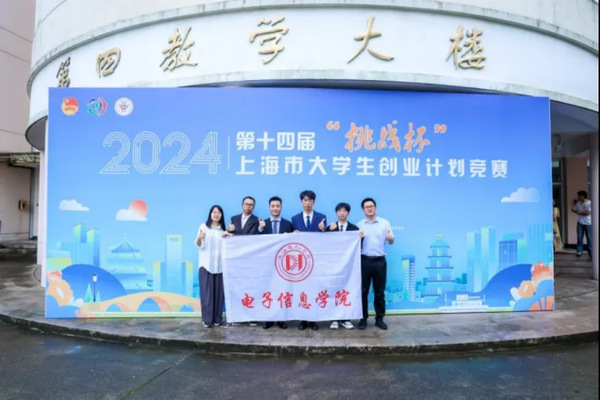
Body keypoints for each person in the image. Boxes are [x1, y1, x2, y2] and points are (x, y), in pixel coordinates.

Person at [356, 198, 394, 330]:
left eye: (371, 206)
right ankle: (363, 319)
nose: (369, 208)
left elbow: (391, 241)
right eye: (366, 207)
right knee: (363, 291)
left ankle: (379, 318)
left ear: (375, 208)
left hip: (379, 262)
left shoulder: (384, 223)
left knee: (379, 292)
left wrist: (390, 239)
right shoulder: (359, 225)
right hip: (364, 261)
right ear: (363, 210)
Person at [291, 190, 327, 330]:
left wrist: (323, 230)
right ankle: (303, 319)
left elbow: (326, 238)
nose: (307, 203)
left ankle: (313, 319)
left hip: (316, 259)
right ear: (301, 202)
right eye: (305, 200)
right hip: (301, 261)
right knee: (301, 289)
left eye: (310, 200)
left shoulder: (321, 217)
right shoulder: (294, 219)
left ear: (314, 202)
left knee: (314, 289)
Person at [258, 196, 294, 330]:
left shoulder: (288, 224)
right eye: (273, 206)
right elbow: (255, 242)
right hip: (266, 264)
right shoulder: (263, 223)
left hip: (282, 265)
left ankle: (281, 318)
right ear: (269, 207)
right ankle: (268, 318)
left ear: (281, 207)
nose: (275, 208)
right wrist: (260, 229)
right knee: (268, 290)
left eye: (277, 206)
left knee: (281, 290)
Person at [325, 202, 360, 330]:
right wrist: (328, 230)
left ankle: (346, 318)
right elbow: (324, 244)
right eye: (340, 211)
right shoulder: (331, 227)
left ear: (348, 213)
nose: (342, 213)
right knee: (334, 290)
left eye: (345, 211)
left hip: (349, 266)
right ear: (336, 213)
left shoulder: (354, 229)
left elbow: (358, 247)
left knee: (347, 291)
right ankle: (334, 318)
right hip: (334, 266)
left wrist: (361, 238)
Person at [195, 205, 231, 328]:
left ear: (221, 215)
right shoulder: (203, 227)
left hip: (220, 266)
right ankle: (207, 320)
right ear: (210, 214)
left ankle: (217, 319)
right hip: (206, 265)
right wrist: (199, 238)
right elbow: (199, 244)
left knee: (219, 294)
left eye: (219, 213)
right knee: (207, 295)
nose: (216, 214)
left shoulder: (223, 230)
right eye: (214, 212)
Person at [228, 196, 260, 326]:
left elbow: (251, 237)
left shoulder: (256, 220)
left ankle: (252, 316)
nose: (248, 206)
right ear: (242, 205)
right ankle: (237, 316)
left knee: (251, 287)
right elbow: (229, 236)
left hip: (250, 260)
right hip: (235, 260)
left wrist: (234, 235)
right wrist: (229, 231)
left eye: (251, 205)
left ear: (253, 207)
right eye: (246, 204)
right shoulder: (234, 219)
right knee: (237, 287)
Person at [571, 190, 592, 257]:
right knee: (579, 237)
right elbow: (573, 209)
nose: (578, 197)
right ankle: (579, 251)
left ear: (583, 196)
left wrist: (579, 212)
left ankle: (591, 251)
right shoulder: (578, 203)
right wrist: (576, 211)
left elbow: (588, 213)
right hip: (580, 222)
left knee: (589, 238)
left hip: (588, 223)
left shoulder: (589, 203)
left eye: (579, 196)